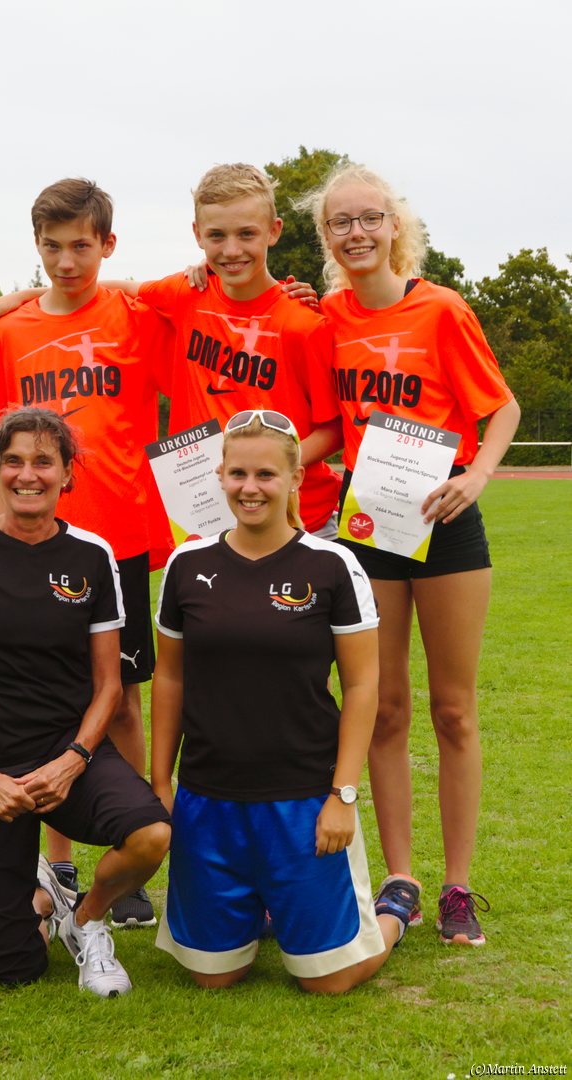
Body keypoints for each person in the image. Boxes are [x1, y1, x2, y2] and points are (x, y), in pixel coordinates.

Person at [300, 163, 520, 946]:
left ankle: (457, 886)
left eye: (369, 218)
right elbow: (331, 425)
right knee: (384, 708)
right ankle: (403, 879)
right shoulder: (326, 319)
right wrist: (275, 456)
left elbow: (500, 408)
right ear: (325, 237)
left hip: (445, 523)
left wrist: (476, 475)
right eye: (339, 222)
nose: (356, 232)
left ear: (394, 225)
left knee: (452, 710)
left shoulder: (441, 309)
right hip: (371, 528)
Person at [150, 410, 421, 993]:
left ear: (296, 478)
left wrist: (342, 796)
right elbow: (169, 679)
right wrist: (161, 782)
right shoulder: (186, 564)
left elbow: (363, 686)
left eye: (266, 475)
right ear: (220, 475)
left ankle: (394, 909)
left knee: (331, 980)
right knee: (213, 977)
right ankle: (264, 903)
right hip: (209, 798)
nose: (250, 488)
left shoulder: (333, 565)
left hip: (303, 800)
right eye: (238, 473)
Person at [0, 408, 170, 996]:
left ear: (67, 473)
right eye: (13, 461)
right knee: (16, 969)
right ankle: (42, 896)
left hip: (66, 754)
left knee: (152, 834)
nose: (27, 475)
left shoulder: (92, 554)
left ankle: (85, 919)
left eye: (43, 462)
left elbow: (109, 687)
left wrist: (74, 759)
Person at [0, 178, 174, 928]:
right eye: (52, 247)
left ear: (108, 245)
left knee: (121, 698)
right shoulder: (11, 332)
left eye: (81, 246)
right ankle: (56, 863)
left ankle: (125, 841)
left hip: (118, 538)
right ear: (36, 247)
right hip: (36, 542)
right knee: (49, 699)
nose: (67, 262)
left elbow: (200, 309)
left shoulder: (136, 317)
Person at [0, 164, 343, 540]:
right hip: (207, 519)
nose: (232, 249)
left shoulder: (303, 322)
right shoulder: (187, 295)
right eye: (217, 235)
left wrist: (268, 463)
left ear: (274, 231)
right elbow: (98, 288)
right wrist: (25, 296)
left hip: (299, 520)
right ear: (198, 235)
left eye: (246, 233)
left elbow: (334, 428)